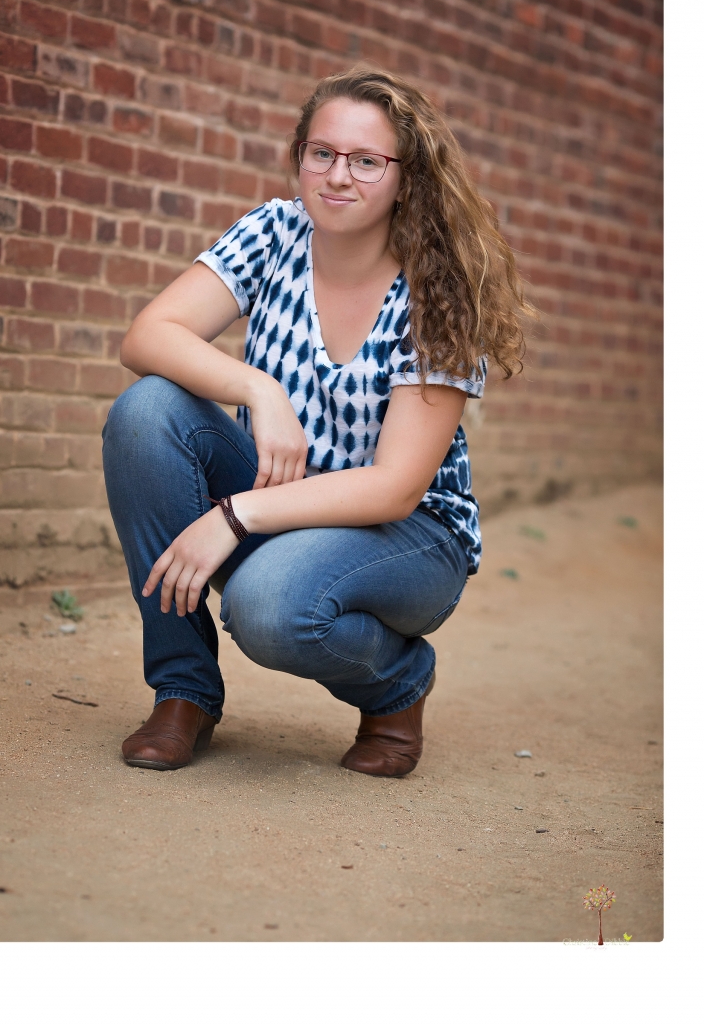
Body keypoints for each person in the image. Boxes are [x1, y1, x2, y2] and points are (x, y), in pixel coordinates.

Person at [102, 65, 531, 778]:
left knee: (267, 607)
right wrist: (258, 388)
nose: (338, 176)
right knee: (147, 411)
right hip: (283, 497)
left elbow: (394, 487)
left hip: (408, 535)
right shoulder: (274, 233)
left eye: (367, 160)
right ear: (299, 155)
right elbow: (148, 336)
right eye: (322, 153)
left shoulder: (441, 287)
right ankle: (183, 691)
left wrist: (233, 516)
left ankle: (397, 684)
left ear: (406, 176)